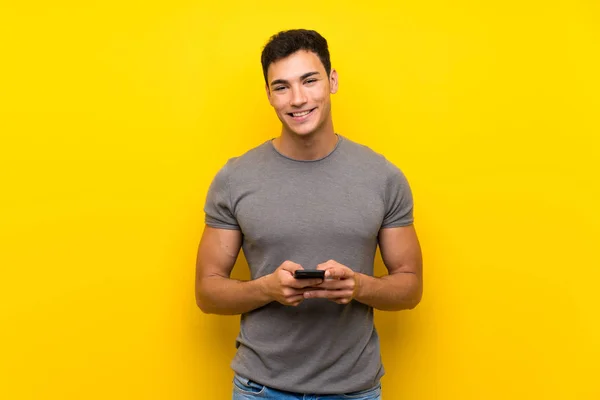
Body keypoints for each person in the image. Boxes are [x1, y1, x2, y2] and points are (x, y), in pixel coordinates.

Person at [195, 29, 423, 400]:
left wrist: (358, 286)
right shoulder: (234, 178)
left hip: (354, 390)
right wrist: (266, 289)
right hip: (260, 390)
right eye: (282, 86)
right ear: (269, 94)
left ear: (332, 81)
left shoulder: (382, 177)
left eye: (310, 80)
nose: (298, 99)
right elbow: (207, 293)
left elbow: (410, 286)